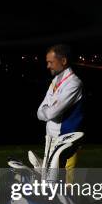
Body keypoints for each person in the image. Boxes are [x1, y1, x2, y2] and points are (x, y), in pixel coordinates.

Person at [37, 44, 84, 182]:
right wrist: (47, 110)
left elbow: (51, 113)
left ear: (63, 61)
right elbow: (40, 111)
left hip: (66, 140)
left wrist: (47, 110)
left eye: (50, 62)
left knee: (66, 183)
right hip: (51, 138)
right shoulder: (55, 81)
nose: (48, 66)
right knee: (51, 181)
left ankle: (73, 203)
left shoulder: (74, 84)